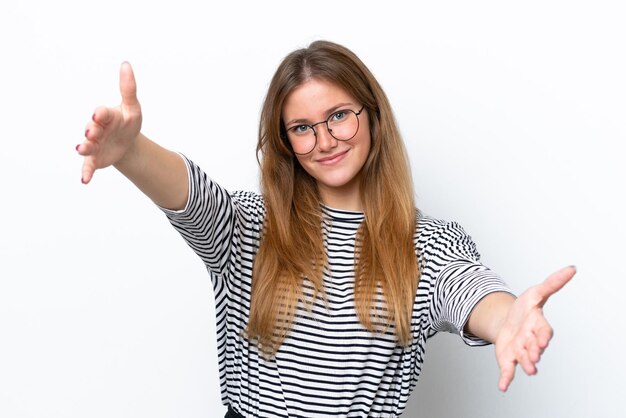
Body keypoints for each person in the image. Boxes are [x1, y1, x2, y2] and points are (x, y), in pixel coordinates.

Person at [76, 40, 575, 418]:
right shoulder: (251, 226)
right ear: (285, 141)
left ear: (373, 117)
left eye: (339, 116)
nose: (325, 140)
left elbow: (466, 287)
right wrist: (132, 153)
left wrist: (506, 317)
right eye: (302, 127)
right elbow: (192, 195)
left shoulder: (428, 242)